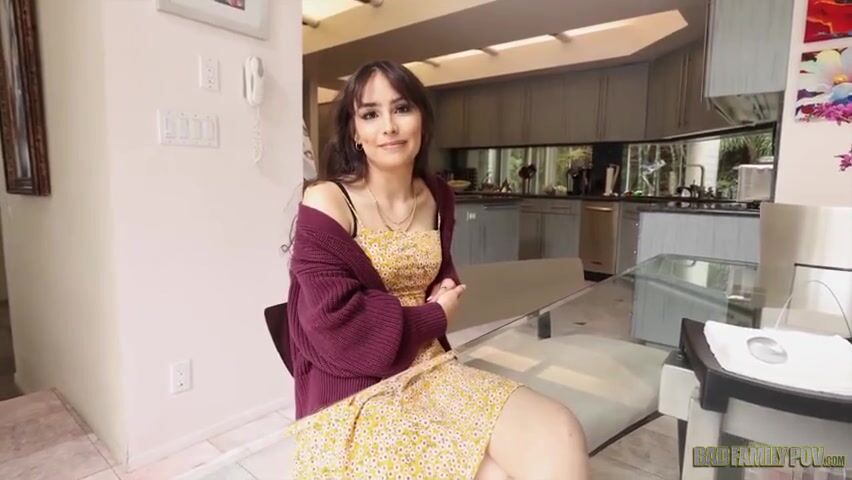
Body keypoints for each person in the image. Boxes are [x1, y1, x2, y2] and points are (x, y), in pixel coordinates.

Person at [286, 60, 589, 479]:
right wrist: (434, 315)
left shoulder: (437, 195)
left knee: (560, 430)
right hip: (356, 388)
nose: (389, 126)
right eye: (370, 114)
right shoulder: (327, 201)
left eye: (401, 108)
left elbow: (439, 271)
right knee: (490, 474)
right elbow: (335, 327)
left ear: (422, 120)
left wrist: (446, 287)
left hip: (430, 365)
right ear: (355, 132)